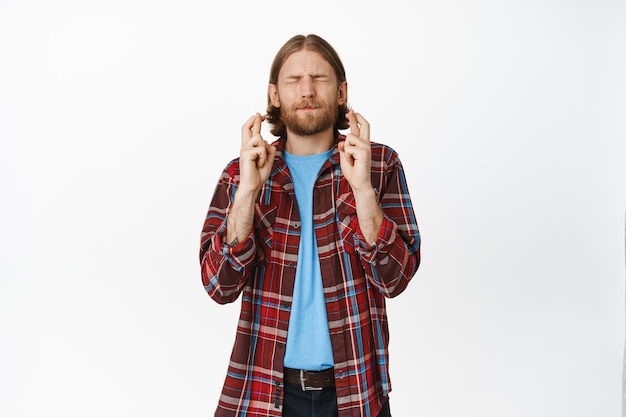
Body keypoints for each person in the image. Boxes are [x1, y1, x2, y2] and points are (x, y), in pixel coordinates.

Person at [199, 33, 421, 417]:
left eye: (319, 79)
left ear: (341, 92)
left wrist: (363, 191)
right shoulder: (242, 174)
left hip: (355, 393)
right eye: (293, 81)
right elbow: (219, 286)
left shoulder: (379, 164)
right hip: (264, 391)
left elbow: (395, 280)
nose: (307, 90)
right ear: (274, 94)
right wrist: (249, 192)